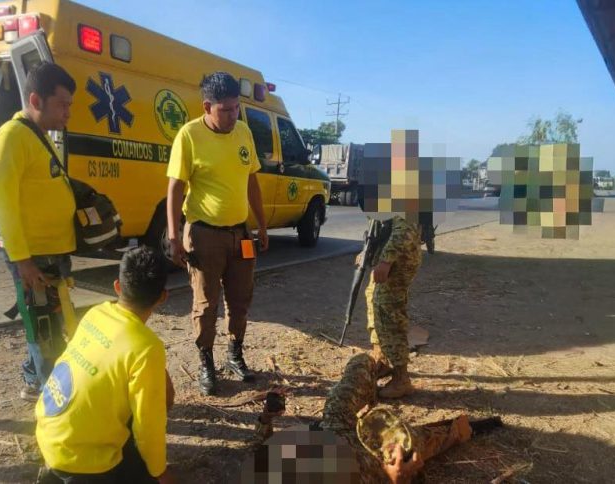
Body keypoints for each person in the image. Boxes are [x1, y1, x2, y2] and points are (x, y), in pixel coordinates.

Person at [243, 353, 500, 483]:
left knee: (354, 374)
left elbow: (257, 452)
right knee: (418, 441)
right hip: (365, 463)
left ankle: (378, 364)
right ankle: (466, 429)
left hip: (329, 431)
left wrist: (267, 418)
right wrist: (394, 479)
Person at [166, 71, 269, 396]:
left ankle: (234, 353)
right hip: (204, 234)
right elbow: (175, 189)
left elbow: (252, 179)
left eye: (236, 108)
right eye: (225, 109)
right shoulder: (189, 135)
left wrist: (262, 224)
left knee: (241, 299)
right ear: (207, 106)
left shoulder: (242, 132)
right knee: (207, 304)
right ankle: (205, 361)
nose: (232, 115)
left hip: (240, 233)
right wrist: (174, 236)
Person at [35, 247, 176, 484]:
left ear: (117, 287)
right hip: (84, 464)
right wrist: (160, 473)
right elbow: (148, 427)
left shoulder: (96, 313)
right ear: (163, 297)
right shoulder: (146, 347)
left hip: (50, 437)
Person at [0, 61, 77, 401]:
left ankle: (33, 377)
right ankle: (49, 399)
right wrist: (23, 261)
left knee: (50, 324)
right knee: (45, 332)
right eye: (63, 104)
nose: (68, 112)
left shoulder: (38, 136)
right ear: (36, 100)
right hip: (34, 258)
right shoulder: (11, 138)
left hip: (52, 253)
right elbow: (4, 205)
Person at [365, 216, 423, 398]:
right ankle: (382, 358)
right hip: (394, 256)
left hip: (399, 260)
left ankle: (401, 379)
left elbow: (404, 229)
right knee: (373, 298)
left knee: (388, 314)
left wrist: (386, 261)